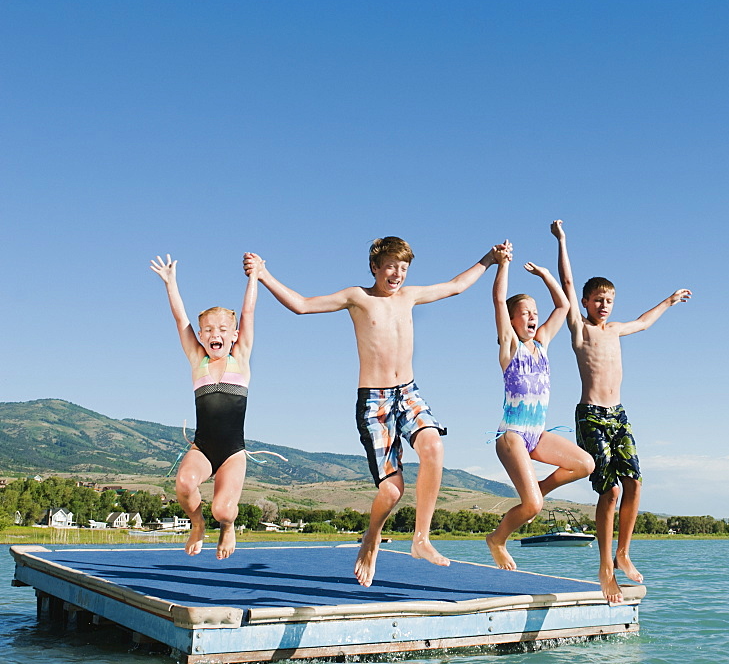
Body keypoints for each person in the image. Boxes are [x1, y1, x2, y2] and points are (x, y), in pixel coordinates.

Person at [243, 237, 505, 587]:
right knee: (392, 491)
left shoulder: (410, 297)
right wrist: (263, 274)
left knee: (433, 447)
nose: (397, 274)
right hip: (375, 402)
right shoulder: (358, 298)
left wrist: (490, 258)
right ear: (375, 268)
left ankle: (421, 539)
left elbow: (457, 286)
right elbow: (302, 305)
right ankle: (371, 538)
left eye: (404, 268)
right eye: (391, 267)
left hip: (409, 392)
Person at [551, 220, 692, 602]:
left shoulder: (615, 330)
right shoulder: (580, 330)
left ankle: (624, 552)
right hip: (592, 414)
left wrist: (670, 299)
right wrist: (562, 240)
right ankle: (604, 568)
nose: (603, 305)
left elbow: (645, 323)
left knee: (635, 483)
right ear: (585, 302)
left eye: (609, 300)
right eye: (597, 299)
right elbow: (565, 283)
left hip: (619, 415)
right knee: (610, 490)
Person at [485, 240, 595, 571]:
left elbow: (563, 307)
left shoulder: (543, 343)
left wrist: (547, 275)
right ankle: (497, 539)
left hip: (538, 434)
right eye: (526, 313)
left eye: (535, 313)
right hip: (513, 435)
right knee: (531, 506)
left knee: (585, 465)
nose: (533, 317)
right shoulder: (510, 346)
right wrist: (503, 264)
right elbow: (496, 301)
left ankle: (539, 490)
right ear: (513, 320)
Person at [150, 254, 257, 560]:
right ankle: (197, 524)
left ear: (234, 335)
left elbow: (248, 312)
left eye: (223, 329)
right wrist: (171, 283)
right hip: (203, 448)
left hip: (233, 453)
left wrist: (254, 277)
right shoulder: (198, 360)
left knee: (224, 510)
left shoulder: (242, 358)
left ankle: (227, 526)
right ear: (200, 336)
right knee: (183, 483)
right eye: (208, 330)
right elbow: (180, 319)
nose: (215, 335)